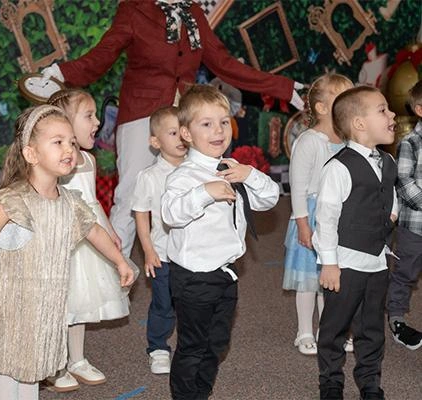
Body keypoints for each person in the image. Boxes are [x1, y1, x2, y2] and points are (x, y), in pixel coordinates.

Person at [42, 0, 304, 257]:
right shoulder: (134, 9)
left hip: (184, 116)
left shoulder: (194, 13)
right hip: (141, 114)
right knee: (130, 195)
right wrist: (61, 74)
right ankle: (115, 270)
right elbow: (103, 54)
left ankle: (180, 266)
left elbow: (225, 64)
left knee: (187, 192)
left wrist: (284, 87)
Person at [0, 105, 135, 400]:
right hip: (17, 301)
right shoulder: (17, 198)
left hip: (50, 303)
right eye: (58, 142)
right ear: (31, 154)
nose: (69, 149)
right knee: (10, 366)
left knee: (34, 368)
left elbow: (95, 232)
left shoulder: (70, 202)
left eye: (72, 142)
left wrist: (119, 260)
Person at [161, 84, 279, 400]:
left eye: (224, 122)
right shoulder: (184, 176)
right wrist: (204, 193)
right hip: (194, 276)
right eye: (207, 124)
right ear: (186, 133)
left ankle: (201, 391)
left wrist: (250, 174)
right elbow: (171, 214)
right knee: (193, 345)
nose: (219, 130)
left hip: (226, 273)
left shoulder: (231, 169)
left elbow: (269, 199)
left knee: (217, 342)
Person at [42, 90, 138, 391]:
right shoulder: (54, 163)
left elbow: (93, 204)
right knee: (60, 304)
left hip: (89, 242)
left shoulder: (88, 160)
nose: (98, 122)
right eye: (89, 116)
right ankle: (53, 362)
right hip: (63, 244)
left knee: (81, 301)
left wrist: (110, 231)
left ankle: (77, 359)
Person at [312, 86, 397, 400]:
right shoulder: (339, 167)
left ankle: (370, 383)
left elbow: (388, 195)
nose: (392, 115)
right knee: (335, 327)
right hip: (345, 263)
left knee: (371, 328)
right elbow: (326, 217)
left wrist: (390, 215)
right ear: (359, 123)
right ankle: (331, 382)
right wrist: (329, 263)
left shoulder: (387, 161)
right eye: (383, 110)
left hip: (376, 261)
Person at [283, 73, 353, 355]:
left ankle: (328, 329)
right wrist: (302, 224)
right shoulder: (309, 141)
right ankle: (304, 331)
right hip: (311, 216)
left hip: (337, 217)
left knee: (330, 278)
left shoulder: (348, 141)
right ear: (322, 108)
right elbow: (298, 187)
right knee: (307, 280)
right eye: (343, 99)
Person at [131, 106, 186, 374]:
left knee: (191, 303)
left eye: (184, 131)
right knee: (163, 304)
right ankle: (158, 348)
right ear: (155, 142)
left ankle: (190, 346)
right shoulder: (149, 177)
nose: (181, 138)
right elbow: (141, 215)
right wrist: (148, 250)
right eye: (173, 133)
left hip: (192, 255)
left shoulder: (198, 171)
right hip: (162, 254)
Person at [386, 79, 422, 350]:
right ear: (420, 110)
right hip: (415, 226)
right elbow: (405, 182)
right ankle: (396, 317)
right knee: (406, 271)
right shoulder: (411, 142)